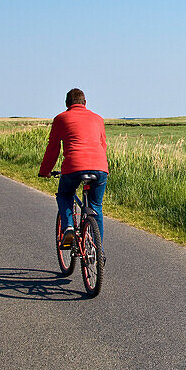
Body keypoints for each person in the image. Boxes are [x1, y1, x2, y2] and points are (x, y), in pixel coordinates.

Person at [38, 88, 109, 249]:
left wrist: (45, 171)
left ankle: (68, 227)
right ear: (85, 103)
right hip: (99, 168)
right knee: (95, 206)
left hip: (73, 167)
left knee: (64, 195)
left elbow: (53, 148)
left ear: (66, 104)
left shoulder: (61, 118)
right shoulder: (98, 119)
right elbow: (103, 145)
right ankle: (98, 250)